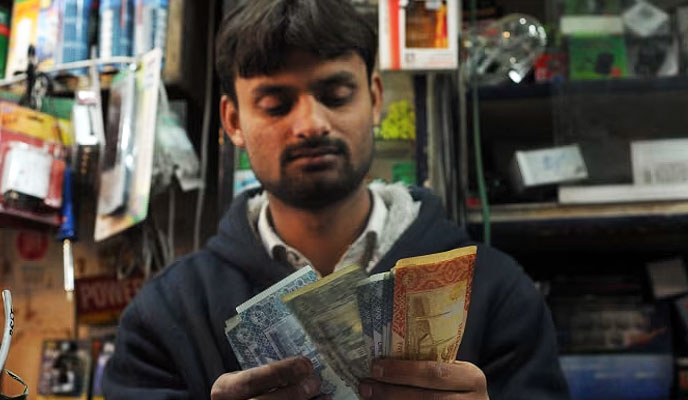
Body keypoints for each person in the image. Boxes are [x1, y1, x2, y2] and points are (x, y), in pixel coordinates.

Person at [102, 1, 570, 399]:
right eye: (275, 104)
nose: (311, 123)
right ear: (233, 121)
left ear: (375, 97)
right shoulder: (163, 317)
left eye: (336, 94)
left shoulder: (498, 291)